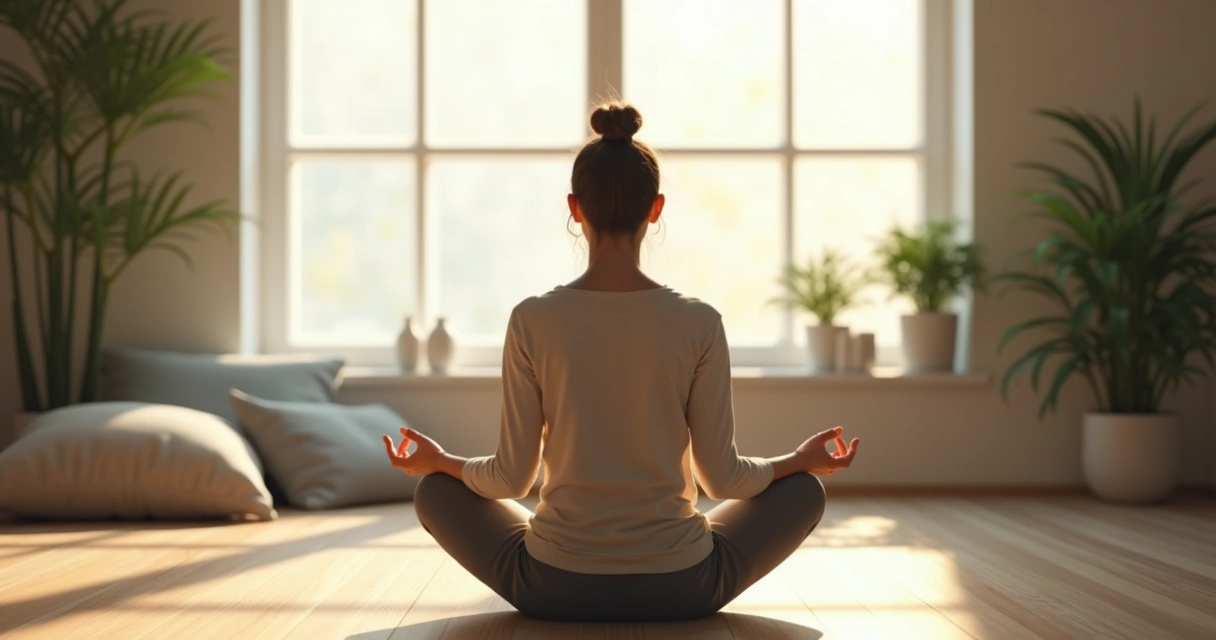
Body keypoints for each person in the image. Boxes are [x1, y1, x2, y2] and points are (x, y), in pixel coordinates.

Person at [383, 101, 860, 623]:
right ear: (656, 208)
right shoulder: (699, 322)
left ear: (574, 208)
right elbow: (724, 481)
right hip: (685, 587)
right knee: (804, 491)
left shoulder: (531, 319)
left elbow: (510, 480)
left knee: (435, 491)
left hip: (551, 586)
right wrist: (799, 461)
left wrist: (440, 462)